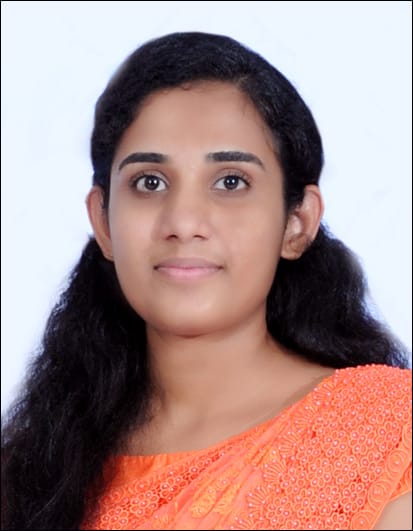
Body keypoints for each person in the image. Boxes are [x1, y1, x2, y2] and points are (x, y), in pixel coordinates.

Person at [1, 31, 411, 531]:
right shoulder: (31, 474)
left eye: (231, 182)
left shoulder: (388, 432)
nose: (184, 221)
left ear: (297, 223)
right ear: (104, 223)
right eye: (149, 182)